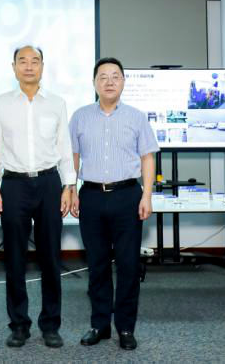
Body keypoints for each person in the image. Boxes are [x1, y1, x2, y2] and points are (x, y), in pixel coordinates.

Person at [69, 57, 158, 351]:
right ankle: (99, 324)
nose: (109, 81)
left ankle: (126, 327)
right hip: (92, 196)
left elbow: (147, 157)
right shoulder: (80, 117)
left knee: (128, 265)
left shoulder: (136, 117)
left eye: (115, 76)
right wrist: (70, 189)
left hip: (127, 195)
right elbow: (72, 158)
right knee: (96, 265)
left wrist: (146, 194)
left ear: (123, 82)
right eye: (103, 76)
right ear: (94, 82)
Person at [0, 45, 75, 349]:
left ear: (42, 66)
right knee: (14, 259)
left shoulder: (56, 103)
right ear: (13, 67)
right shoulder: (1, 104)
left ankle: (50, 325)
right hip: (13, 184)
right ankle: (19, 326)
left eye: (34, 61)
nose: (29, 66)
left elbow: (64, 147)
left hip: (49, 183)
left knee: (50, 257)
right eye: (22, 61)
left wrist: (69, 186)